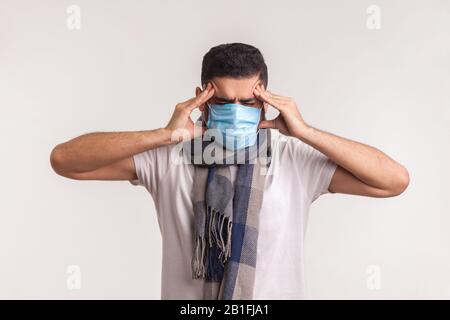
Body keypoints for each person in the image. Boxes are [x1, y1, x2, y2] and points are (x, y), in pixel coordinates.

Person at [50, 43, 409, 299]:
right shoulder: (169, 158)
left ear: (265, 100)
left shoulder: (294, 161)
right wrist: (165, 134)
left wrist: (306, 132)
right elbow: (65, 160)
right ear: (201, 99)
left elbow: (393, 181)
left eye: (248, 102)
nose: (236, 111)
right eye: (223, 102)